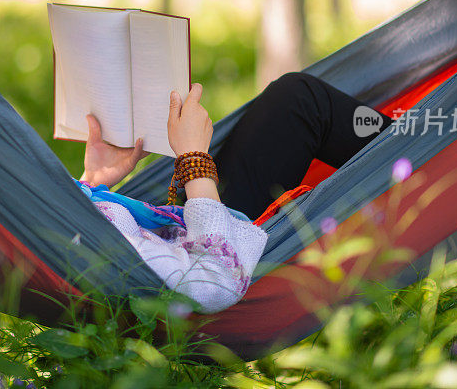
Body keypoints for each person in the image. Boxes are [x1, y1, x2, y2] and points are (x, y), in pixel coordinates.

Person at [75, 72, 392, 314]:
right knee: (302, 101)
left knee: (295, 98)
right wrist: (194, 161)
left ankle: (426, 136)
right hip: (217, 242)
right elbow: (214, 279)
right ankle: (431, 151)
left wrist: (92, 181)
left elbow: (74, 233)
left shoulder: (38, 224)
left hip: (173, 227)